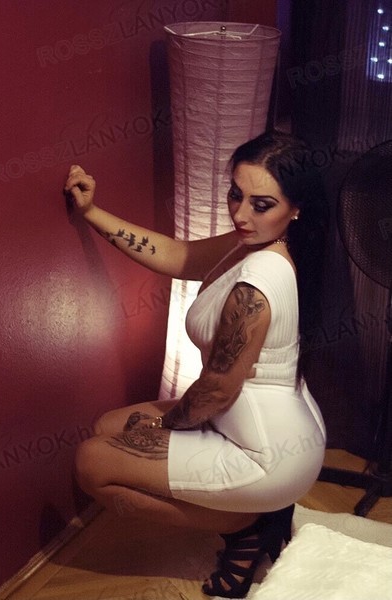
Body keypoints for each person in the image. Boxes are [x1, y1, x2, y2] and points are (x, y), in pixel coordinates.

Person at [64, 130, 328, 599]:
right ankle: (254, 513)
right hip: (254, 421)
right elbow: (179, 255)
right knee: (107, 427)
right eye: (235, 195)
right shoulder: (254, 240)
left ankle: (244, 525)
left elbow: (219, 389)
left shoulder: (256, 284)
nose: (241, 214)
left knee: (92, 464)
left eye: (261, 204)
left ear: (296, 208)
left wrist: (164, 425)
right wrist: (91, 213)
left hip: (265, 454)